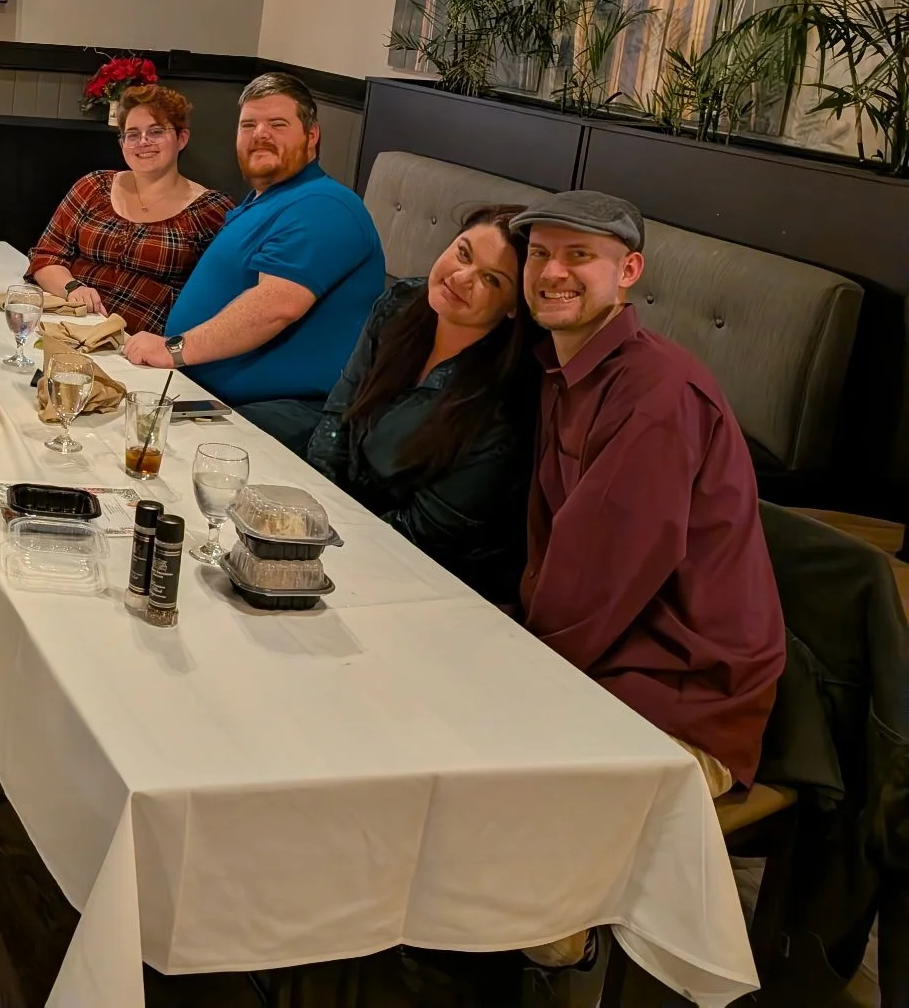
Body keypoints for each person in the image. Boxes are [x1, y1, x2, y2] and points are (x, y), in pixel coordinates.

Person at [510, 191, 785, 972]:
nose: (553, 272)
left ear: (628, 272)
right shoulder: (568, 368)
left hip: (685, 686)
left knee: (505, 779)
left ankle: (550, 957)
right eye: (540, 254)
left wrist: (515, 671)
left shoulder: (656, 391)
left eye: (579, 256)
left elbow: (603, 575)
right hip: (612, 650)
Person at [129, 72, 385, 454]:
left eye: (277, 124)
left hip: (282, 414)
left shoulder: (325, 204)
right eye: (249, 125)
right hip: (208, 397)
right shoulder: (265, 201)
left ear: (312, 135)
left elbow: (275, 307)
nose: (260, 134)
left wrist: (175, 349)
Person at [305, 205, 535, 604]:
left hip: (428, 580)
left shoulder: (505, 404)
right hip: (340, 524)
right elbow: (338, 415)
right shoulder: (402, 302)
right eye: (463, 253)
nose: (461, 278)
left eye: (491, 279)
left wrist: (326, 548)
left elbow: (425, 532)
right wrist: (309, 515)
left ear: (514, 306)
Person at [26, 84, 234, 336]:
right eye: (132, 134)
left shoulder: (211, 210)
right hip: (68, 327)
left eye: (156, 131)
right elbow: (47, 256)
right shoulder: (93, 186)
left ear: (182, 138)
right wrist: (72, 288)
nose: (143, 142)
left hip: (144, 347)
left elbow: (225, 299)